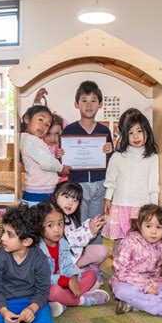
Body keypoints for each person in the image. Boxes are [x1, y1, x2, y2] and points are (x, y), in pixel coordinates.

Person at [110, 204, 162, 321]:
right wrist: (144, 286)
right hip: (128, 283)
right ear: (139, 225)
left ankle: (135, 304)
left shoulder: (161, 246)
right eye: (148, 226)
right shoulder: (129, 242)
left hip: (153, 284)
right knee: (120, 291)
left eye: (159, 227)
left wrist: (152, 285)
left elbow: (156, 273)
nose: (154, 232)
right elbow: (120, 271)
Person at [36, 201, 110, 318]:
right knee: (53, 291)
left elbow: (68, 266)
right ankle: (82, 300)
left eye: (60, 224)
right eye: (50, 225)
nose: (57, 230)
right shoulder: (36, 249)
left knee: (91, 275)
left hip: (63, 282)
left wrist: (73, 277)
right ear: (39, 227)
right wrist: (66, 281)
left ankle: (63, 301)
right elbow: (42, 278)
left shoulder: (63, 242)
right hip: (45, 286)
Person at [62, 81, 113, 239]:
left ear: (100, 104)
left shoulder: (104, 130)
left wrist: (111, 151)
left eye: (93, 101)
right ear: (77, 104)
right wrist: (60, 154)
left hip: (100, 184)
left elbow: (111, 160)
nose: (89, 105)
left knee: (96, 222)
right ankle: (78, 259)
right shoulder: (69, 130)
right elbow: (63, 160)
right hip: (78, 185)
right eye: (84, 100)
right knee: (78, 223)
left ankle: (94, 258)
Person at [102, 110, 159, 252]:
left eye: (139, 131)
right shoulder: (118, 156)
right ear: (125, 135)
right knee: (120, 243)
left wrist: (154, 207)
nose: (135, 136)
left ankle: (139, 270)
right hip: (121, 206)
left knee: (141, 243)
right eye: (131, 132)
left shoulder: (152, 157)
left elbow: (153, 185)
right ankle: (120, 270)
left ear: (147, 131)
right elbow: (111, 180)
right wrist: (108, 198)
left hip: (142, 208)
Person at [51, 181, 108, 282]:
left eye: (75, 200)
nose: (70, 203)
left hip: (75, 258)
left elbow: (77, 232)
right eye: (66, 197)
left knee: (102, 251)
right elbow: (72, 239)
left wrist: (90, 226)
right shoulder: (51, 219)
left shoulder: (70, 218)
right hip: (61, 264)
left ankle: (88, 269)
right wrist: (90, 231)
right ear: (56, 196)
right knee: (91, 282)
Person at [20, 104, 70, 206]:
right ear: (27, 119)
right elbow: (47, 162)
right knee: (39, 220)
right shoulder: (30, 140)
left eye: (47, 125)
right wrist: (62, 168)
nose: (43, 126)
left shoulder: (34, 140)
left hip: (42, 190)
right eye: (40, 120)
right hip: (38, 192)